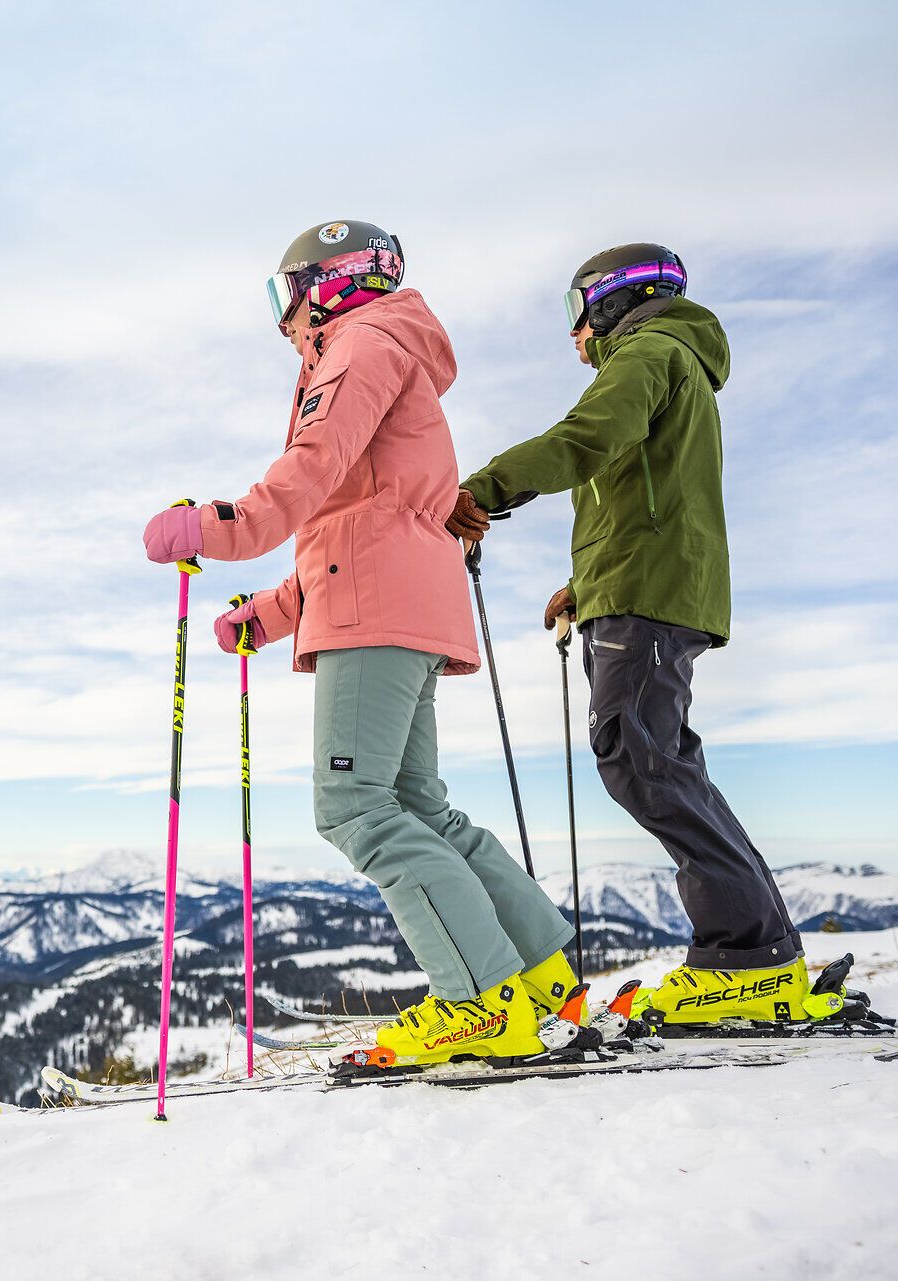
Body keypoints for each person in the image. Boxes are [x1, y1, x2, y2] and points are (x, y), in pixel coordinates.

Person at [143, 220, 579, 1065]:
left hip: (375, 614)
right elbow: (363, 520)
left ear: (332, 282)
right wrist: (268, 615)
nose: (283, 320)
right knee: (419, 806)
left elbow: (309, 473)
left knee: (355, 807)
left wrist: (216, 525)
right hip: (398, 603)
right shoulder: (390, 351)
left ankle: (481, 1005)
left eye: (286, 293)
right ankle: (539, 980)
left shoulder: (361, 345)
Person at [447, 243, 842, 1026]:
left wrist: (478, 488)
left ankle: (747, 954)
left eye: (577, 312)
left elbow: (585, 439)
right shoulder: (671, 358)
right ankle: (760, 951)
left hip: (648, 595)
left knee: (639, 758)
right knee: (657, 760)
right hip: (641, 587)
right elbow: (643, 492)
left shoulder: (649, 352)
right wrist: (587, 587)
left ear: (615, 301)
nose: (574, 335)